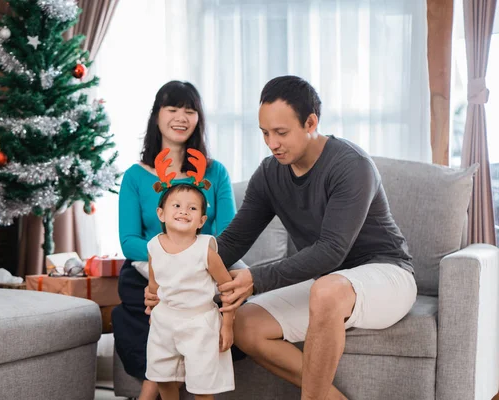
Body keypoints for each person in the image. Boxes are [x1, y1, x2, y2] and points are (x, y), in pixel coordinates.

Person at [146, 76, 417, 400]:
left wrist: (255, 279)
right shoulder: (270, 173)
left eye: (281, 132)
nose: (272, 143)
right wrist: (172, 270)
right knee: (247, 324)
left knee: (327, 290)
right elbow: (231, 242)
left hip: (387, 273)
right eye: (265, 133)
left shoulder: (351, 165)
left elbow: (331, 250)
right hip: (329, 282)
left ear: (311, 122)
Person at [112, 80, 237, 400]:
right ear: (156, 116)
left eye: (190, 110)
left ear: (198, 119)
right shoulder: (135, 176)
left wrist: (192, 254)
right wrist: (170, 253)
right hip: (148, 268)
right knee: (138, 306)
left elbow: (228, 237)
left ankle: (150, 392)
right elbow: (128, 241)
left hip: (205, 268)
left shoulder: (216, 172)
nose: (181, 117)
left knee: (223, 299)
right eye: (172, 109)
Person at [145, 148, 235, 400]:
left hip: (200, 324)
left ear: (201, 220)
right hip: (164, 322)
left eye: (192, 208)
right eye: (176, 205)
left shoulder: (205, 248)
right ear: (161, 214)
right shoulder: (153, 246)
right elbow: (154, 285)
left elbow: (227, 288)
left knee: (202, 386)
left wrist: (227, 325)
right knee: (162, 377)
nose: (184, 211)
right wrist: (152, 308)